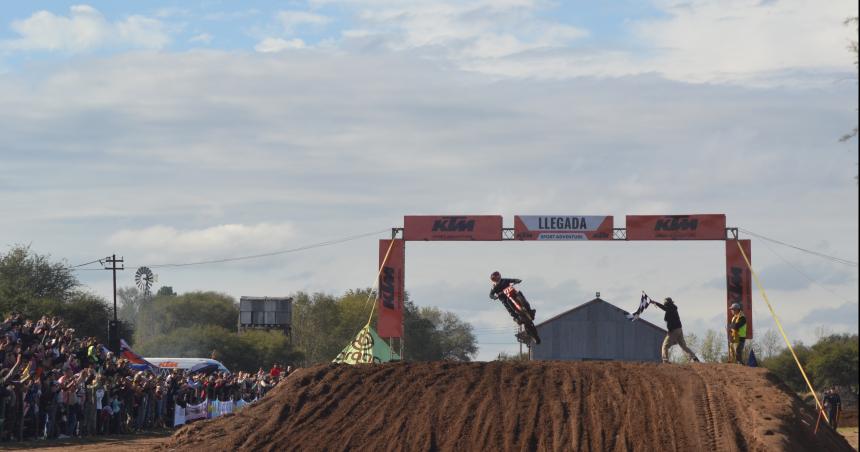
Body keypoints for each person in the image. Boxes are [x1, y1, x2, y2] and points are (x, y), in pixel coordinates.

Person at [650, 297, 700, 363]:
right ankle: (694, 357)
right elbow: (665, 309)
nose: (664, 304)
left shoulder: (669, 308)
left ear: (667, 303)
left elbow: (664, 308)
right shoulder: (673, 308)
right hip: (679, 330)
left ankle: (665, 360)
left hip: (674, 330)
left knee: (665, 346)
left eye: (665, 303)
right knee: (683, 346)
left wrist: (655, 302)